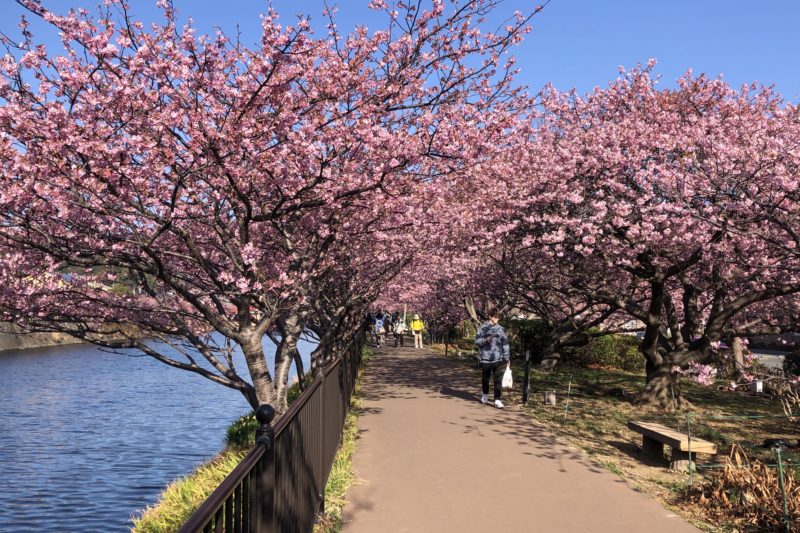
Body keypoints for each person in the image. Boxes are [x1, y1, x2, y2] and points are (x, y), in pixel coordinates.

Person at [475, 311, 510, 408]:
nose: (496, 319)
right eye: (495, 317)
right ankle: (485, 395)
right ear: (490, 317)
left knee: (497, 380)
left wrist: (506, 357)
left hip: (497, 358)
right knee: (485, 379)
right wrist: (485, 340)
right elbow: (477, 341)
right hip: (485, 358)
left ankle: (497, 400)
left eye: (498, 318)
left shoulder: (500, 329)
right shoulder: (483, 328)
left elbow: (505, 344)